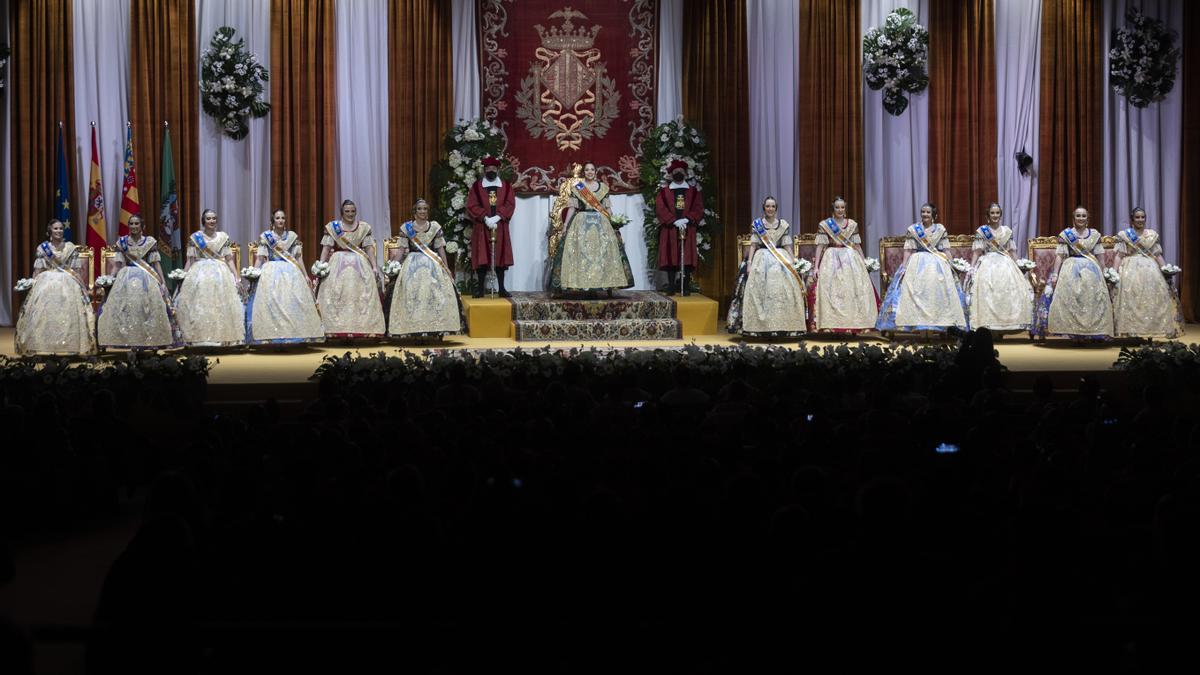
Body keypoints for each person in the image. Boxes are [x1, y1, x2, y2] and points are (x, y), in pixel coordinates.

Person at [875, 202, 968, 334]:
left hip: (937, 263)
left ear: (933, 215)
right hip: (917, 262)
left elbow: (946, 249)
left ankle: (940, 324)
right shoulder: (914, 229)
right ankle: (915, 323)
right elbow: (908, 250)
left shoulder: (940, 229)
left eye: (928, 212)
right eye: (923, 212)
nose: (925, 214)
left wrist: (953, 264)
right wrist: (904, 266)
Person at [547, 161, 635, 296]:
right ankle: (579, 284)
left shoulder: (604, 188)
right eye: (587, 170)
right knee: (580, 254)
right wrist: (565, 225)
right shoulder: (578, 188)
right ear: (584, 173)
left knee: (604, 254)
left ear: (595, 172)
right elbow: (572, 208)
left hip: (601, 223)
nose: (589, 172)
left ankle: (606, 284)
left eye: (592, 170)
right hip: (581, 223)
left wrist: (614, 222)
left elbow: (607, 208)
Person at [726, 197, 807, 336]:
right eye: (768, 206)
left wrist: (793, 261)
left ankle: (785, 325)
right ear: (764, 208)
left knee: (786, 286)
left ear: (776, 208)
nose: (770, 209)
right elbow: (753, 245)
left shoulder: (783, 225)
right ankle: (758, 326)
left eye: (773, 206)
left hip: (780, 257)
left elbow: (787, 245)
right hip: (761, 257)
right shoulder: (758, 224)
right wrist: (749, 263)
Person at [14, 218, 97, 355]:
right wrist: (32, 284)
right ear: (49, 231)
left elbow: (76, 271)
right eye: (55, 228)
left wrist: (81, 286)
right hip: (47, 281)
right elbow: (38, 271)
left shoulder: (70, 248)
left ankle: (72, 343)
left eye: (61, 228)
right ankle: (41, 342)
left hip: (68, 282)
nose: (59, 231)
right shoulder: (43, 249)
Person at [97, 215, 179, 349]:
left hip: (146, 278)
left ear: (142, 226)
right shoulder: (122, 242)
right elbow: (117, 265)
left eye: (136, 224)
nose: (134, 226)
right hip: (126, 277)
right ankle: (126, 339)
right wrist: (109, 278)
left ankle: (148, 339)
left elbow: (156, 263)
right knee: (125, 307)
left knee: (145, 307)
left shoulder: (149, 242)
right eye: (131, 224)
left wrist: (162, 283)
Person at [386, 199, 465, 339]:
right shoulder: (407, 228)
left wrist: (446, 268)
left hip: (432, 263)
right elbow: (401, 250)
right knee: (410, 290)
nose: (423, 211)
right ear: (414, 212)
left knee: (434, 290)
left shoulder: (434, 227)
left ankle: (435, 327)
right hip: (412, 263)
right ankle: (411, 326)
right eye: (420, 209)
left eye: (425, 209)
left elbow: (440, 249)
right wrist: (392, 265)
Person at [246, 209, 325, 345]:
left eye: (283, 218)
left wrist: (305, 275)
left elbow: (298, 258)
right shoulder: (266, 237)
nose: (281, 220)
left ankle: (293, 334)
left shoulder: (292, 236)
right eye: (277, 218)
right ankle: (271, 334)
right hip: (271, 271)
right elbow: (260, 258)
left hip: (290, 272)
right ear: (273, 221)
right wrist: (255, 272)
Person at [1034, 206, 1113, 339]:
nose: (1081, 218)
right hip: (1070, 268)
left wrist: (1104, 272)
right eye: (1078, 216)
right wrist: (1055, 274)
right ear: (1073, 218)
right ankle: (1070, 330)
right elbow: (1059, 256)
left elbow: (1099, 256)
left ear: (1087, 218)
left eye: (1083, 216)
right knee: (1071, 297)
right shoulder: (1066, 235)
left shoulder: (1094, 235)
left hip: (1091, 269)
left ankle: (1091, 330)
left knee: (1091, 297)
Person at [174, 209, 245, 347]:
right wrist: (183, 274)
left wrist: (236, 276)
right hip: (199, 271)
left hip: (220, 272)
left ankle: (222, 336)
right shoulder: (196, 237)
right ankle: (198, 337)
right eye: (208, 219)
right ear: (203, 221)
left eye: (214, 218)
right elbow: (191, 260)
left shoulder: (223, 237)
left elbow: (229, 259)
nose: (211, 221)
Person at [317, 199, 386, 338]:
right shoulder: (333, 227)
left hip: (360, 263)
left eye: (353, 211)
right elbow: (326, 248)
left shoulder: (364, 227)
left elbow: (369, 248)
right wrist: (320, 264)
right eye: (347, 211)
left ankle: (363, 327)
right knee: (336, 292)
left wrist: (374, 266)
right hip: (337, 263)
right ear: (342, 212)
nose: (350, 214)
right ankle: (334, 328)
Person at [1112, 207, 1182, 339]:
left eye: (1142, 217)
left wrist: (1165, 268)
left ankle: (1155, 327)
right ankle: (1130, 328)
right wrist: (1113, 272)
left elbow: (1157, 255)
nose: (1140, 220)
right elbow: (1119, 255)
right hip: (1129, 268)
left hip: (1150, 268)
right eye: (1137, 217)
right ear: (1132, 219)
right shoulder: (1125, 235)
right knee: (1131, 296)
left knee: (1154, 295)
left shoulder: (1151, 234)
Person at [812, 196, 878, 333]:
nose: (840, 210)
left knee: (852, 289)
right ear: (833, 209)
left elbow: (857, 246)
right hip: (831, 257)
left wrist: (863, 261)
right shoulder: (825, 224)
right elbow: (820, 246)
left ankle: (856, 322)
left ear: (845, 209)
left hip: (850, 257)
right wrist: (816, 267)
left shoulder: (852, 224)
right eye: (837, 207)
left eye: (842, 207)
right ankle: (829, 323)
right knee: (831, 289)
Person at [966, 203, 1034, 333]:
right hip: (987, 263)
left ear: (1000, 215)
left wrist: (1019, 266)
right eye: (992, 213)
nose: (995, 215)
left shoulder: (1007, 231)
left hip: (1006, 263)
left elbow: (1012, 251)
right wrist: (972, 267)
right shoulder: (982, 231)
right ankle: (989, 325)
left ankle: (1005, 325)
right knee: (988, 290)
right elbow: (977, 251)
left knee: (1008, 290)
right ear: (988, 215)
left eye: (997, 213)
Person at [466, 155, 516, 297]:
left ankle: (501, 289)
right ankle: (480, 289)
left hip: (500, 227)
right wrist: (485, 217)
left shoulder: (506, 186)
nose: (491, 170)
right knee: (482, 257)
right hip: (482, 227)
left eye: (493, 168)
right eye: (488, 168)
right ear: (484, 170)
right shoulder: (476, 187)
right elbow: (472, 204)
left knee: (500, 258)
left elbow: (510, 203)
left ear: (498, 169)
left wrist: (499, 216)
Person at [655, 159, 703, 295]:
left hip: (688, 228)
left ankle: (685, 286)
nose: (678, 174)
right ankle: (671, 285)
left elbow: (698, 208)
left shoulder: (693, 192)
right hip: (670, 229)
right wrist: (673, 221)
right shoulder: (664, 192)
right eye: (676, 172)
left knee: (686, 258)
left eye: (681, 172)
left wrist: (687, 219)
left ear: (686, 174)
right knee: (671, 257)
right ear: (671, 174)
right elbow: (660, 208)